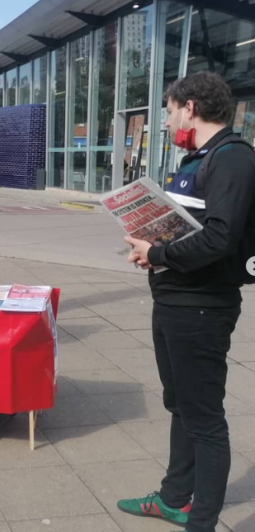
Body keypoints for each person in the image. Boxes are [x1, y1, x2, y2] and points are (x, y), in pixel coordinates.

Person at [118, 72, 255, 532]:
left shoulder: (232, 158)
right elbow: (191, 233)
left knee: (205, 419)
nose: (168, 119)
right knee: (181, 405)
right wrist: (153, 251)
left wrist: (157, 252)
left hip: (202, 307)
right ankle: (174, 498)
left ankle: (201, 522)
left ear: (190, 108)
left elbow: (219, 238)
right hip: (175, 298)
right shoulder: (197, 159)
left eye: (170, 110)